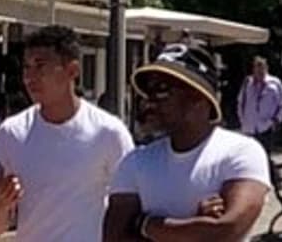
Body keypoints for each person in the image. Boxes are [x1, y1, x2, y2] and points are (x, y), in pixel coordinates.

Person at [102, 43, 271, 241]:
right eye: (148, 92)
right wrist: (194, 227)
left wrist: (144, 224)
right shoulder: (136, 161)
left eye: (161, 90)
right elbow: (114, 237)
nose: (150, 101)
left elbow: (227, 230)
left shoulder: (241, 151)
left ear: (198, 97)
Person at [0, 25, 135, 241]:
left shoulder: (108, 132)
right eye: (26, 67)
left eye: (40, 66)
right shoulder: (12, 133)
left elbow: (128, 208)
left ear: (72, 71)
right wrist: (0, 204)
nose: (30, 77)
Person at [235, 56, 282, 149]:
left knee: (264, 158)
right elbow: (240, 102)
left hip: (266, 129)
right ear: (254, 70)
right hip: (249, 129)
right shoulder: (247, 83)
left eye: (262, 68)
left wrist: (275, 121)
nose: (260, 72)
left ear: (266, 68)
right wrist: (242, 120)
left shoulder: (274, 84)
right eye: (257, 68)